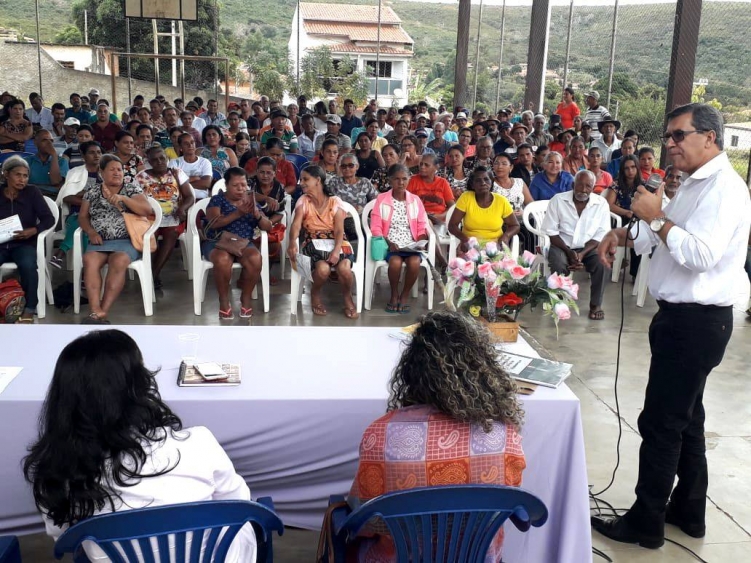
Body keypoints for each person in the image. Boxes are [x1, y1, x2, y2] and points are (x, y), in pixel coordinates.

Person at [593, 103, 751, 549]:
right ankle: (689, 510)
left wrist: (656, 216)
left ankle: (646, 521)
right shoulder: (694, 184)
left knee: (661, 423)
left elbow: (699, 255)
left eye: (679, 136)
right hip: (683, 320)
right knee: (688, 420)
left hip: (696, 323)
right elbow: (664, 237)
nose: (670, 145)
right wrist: (624, 232)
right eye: (668, 137)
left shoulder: (724, 188)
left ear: (710, 138)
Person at [23, 329, 258, 562]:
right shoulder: (198, 443)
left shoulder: (56, 470)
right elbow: (240, 504)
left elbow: (62, 536)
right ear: (140, 385)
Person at [348, 311, 525, 563]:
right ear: (483, 370)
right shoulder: (504, 436)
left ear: (411, 370)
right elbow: (505, 505)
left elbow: (365, 519)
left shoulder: (381, 434)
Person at [78, 155, 154, 324]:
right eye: (112, 169)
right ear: (101, 172)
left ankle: (101, 311)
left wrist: (124, 199)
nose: (117, 173)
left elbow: (146, 210)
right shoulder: (92, 191)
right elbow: (82, 217)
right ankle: (94, 309)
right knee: (89, 259)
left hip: (126, 240)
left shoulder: (131, 189)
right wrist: (90, 232)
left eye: (119, 169)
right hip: (100, 240)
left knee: (118, 261)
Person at [286, 165, 360, 319]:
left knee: (345, 268)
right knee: (323, 269)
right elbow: (296, 225)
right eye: (301, 179)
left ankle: (347, 298)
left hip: (338, 242)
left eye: (306, 179)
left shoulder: (335, 201)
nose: (301, 183)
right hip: (313, 241)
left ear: (318, 180)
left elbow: (339, 230)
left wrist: (335, 250)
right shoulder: (303, 201)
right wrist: (292, 242)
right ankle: (315, 294)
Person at [201, 167, 271, 320]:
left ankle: (245, 299)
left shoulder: (250, 202)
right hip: (217, 241)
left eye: (243, 184)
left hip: (242, 243)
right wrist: (237, 213)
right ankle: (224, 301)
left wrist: (257, 215)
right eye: (235, 185)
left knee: (255, 258)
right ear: (226, 185)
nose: (240, 188)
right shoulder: (217, 200)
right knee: (222, 259)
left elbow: (268, 227)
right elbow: (214, 223)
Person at [542, 169, 610, 320]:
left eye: (588, 186)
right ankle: (560, 302)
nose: (583, 190)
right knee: (559, 264)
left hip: (588, 248)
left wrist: (581, 254)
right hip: (561, 244)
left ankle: (595, 304)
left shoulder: (601, 204)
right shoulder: (558, 200)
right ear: (573, 184)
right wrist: (569, 252)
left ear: (593, 188)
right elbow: (551, 232)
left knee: (603, 264)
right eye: (580, 185)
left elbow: (601, 234)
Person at [0, 156, 55, 322]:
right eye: (18, 175)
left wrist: (33, 230)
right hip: (1, 244)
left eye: (25, 176)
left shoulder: (32, 192)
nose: (22, 179)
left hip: (23, 243)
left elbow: (48, 219)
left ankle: (30, 309)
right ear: (6, 175)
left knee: (28, 265)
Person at [370, 163, 429, 313]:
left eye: (404, 179)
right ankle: (394, 293)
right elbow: (376, 226)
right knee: (395, 263)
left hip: (411, 244)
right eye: (396, 179)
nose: (401, 183)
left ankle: (404, 295)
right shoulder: (382, 199)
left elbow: (422, 225)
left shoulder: (415, 200)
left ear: (409, 179)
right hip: (391, 243)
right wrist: (389, 242)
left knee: (415, 262)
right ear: (390, 180)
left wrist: (420, 242)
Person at [135, 145, 194, 289]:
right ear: (149, 161)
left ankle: (153, 274)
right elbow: (134, 199)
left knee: (172, 233)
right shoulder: (141, 177)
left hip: (172, 216)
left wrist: (182, 208)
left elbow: (190, 196)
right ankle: (153, 275)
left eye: (162, 158)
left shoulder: (176, 173)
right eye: (154, 160)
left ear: (167, 159)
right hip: (149, 218)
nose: (159, 162)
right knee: (149, 236)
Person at [50, 141, 103, 270]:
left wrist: (83, 196)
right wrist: (89, 202)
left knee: (84, 224)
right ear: (83, 156)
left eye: (99, 152)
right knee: (83, 223)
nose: (96, 155)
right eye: (91, 152)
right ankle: (88, 271)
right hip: (77, 214)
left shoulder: (106, 172)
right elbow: (67, 197)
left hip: (101, 215)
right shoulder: (75, 172)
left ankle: (61, 252)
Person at [450, 165, 520, 253]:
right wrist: (465, 240)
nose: (483, 183)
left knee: (500, 266)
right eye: (478, 180)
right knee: (466, 266)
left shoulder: (501, 201)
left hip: (496, 247)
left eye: (486, 179)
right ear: (472, 184)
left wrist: (506, 236)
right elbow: (452, 225)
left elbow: (515, 225)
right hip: (470, 247)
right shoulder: (466, 198)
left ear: (491, 182)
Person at [250, 156, 286, 263]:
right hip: (251, 222)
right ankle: (255, 271)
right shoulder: (251, 183)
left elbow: (280, 213)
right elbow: (246, 195)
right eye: (262, 172)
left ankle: (267, 273)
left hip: (270, 223)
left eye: (269, 173)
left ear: (274, 173)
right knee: (253, 245)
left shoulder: (279, 187)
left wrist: (268, 223)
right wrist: (266, 198)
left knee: (274, 244)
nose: (265, 176)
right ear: (256, 172)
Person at [24, 130, 69, 196]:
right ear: (35, 143)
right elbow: (23, 184)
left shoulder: (62, 161)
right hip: (30, 196)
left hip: (53, 197)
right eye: (44, 140)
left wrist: (54, 155)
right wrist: (48, 187)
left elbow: (55, 181)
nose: (49, 143)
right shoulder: (26, 161)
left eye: (51, 140)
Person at [170, 133, 212, 199]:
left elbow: (206, 183)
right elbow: (172, 184)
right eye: (186, 143)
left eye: (192, 142)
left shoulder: (205, 162)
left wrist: (182, 185)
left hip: (200, 200)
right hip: (181, 200)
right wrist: (194, 178)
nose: (190, 145)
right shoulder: (174, 162)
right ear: (180, 147)